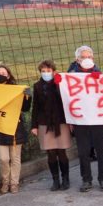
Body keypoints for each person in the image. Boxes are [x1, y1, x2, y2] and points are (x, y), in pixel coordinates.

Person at [67, 45, 103, 192]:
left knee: (101, 150)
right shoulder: (71, 76)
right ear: (77, 59)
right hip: (80, 119)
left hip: (97, 118)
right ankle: (86, 179)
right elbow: (67, 99)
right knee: (83, 151)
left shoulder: (99, 73)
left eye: (89, 57)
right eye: (83, 57)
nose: (87, 59)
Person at [0, 66, 30, 194]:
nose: (1, 74)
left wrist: (27, 97)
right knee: (3, 159)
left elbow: (25, 108)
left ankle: (14, 183)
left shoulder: (16, 90)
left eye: (3, 73)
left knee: (15, 158)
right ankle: (5, 181)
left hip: (15, 129)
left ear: (8, 75)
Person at [30, 60, 71, 191]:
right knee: (51, 153)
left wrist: (59, 83)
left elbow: (67, 101)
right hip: (44, 123)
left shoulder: (61, 84)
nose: (46, 73)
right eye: (43, 71)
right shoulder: (37, 86)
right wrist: (34, 125)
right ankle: (55, 179)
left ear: (53, 71)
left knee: (62, 151)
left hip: (61, 122)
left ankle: (66, 178)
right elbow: (35, 106)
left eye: (48, 71)